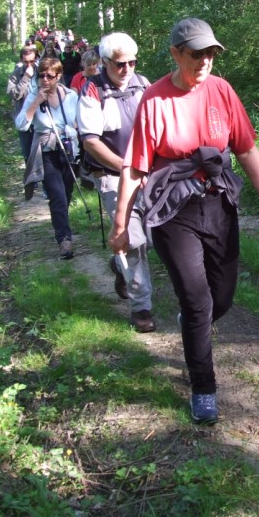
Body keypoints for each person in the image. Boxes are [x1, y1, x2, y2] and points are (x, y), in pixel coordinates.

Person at [108, 17, 259, 425]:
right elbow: (135, 168)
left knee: (221, 297)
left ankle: (193, 325)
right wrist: (120, 224)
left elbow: (246, 148)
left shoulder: (221, 91)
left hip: (217, 202)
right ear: (175, 54)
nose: (204, 61)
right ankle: (203, 387)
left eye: (210, 54)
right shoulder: (155, 98)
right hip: (172, 209)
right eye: (195, 54)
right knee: (197, 299)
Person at [78, 32, 155, 333]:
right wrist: (127, 167)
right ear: (105, 62)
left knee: (155, 234)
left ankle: (119, 266)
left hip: (148, 173)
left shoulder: (144, 85)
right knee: (133, 240)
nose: (127, 69)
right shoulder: (92, 91)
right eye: (120, 64)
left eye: (132, 62)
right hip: (111, 175)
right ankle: (142, 308)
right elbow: (91, 142)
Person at [16, 55, 81, 259]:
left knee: (66, 193)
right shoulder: (34, 95)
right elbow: (21, 124)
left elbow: (80, 120)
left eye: (49, 76)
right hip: (46, 152)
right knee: (57, 196)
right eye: (41, 76)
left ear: (58, 76)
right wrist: (36, 103)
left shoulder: (71, 96)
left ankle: (61, 223)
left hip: (69, 151)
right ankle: (64, 239)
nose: (45, 80)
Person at [7, 44, 39, 166]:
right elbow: (15, 95)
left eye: (32, 61)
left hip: (40, 116)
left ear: (36, 59)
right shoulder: (15, 75)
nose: (29, 65)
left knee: (42, 151)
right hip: (24, 116)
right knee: (27, 150)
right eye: (26, 62)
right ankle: (31, 180)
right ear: (21, 60)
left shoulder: (42, 72)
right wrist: (25, 77)